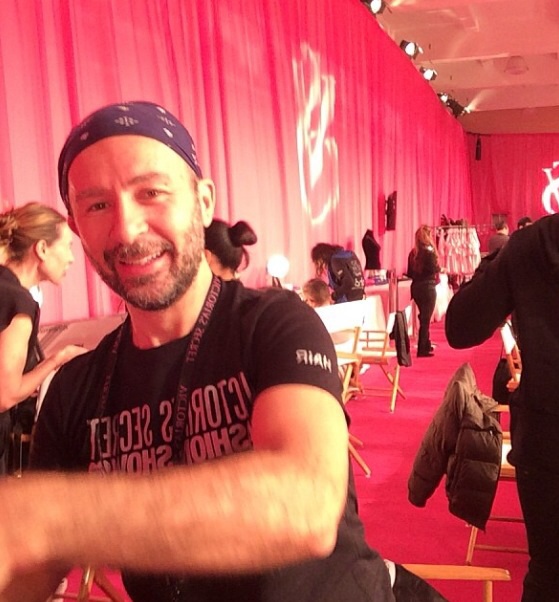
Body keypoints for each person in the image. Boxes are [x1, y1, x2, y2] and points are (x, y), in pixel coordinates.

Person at [0, 101, 394, 602]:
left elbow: (306, 504)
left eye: (151, 192)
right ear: (76, 227)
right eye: (97, 205)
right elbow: (27, 573)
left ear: (203, 202)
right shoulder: (76, 391)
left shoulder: (276, 324)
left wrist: (44, 516)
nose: (126, 230)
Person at [445, 101, 559, 602]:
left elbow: (460, 326)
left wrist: (501, 264)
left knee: (551, 576)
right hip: (551, 442)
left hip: (549, 443)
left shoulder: (531, 245)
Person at [0, 202, 85, 475]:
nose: (72, 258)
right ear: (42, 249)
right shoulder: (18, 302)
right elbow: (5, 395)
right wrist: (57, 360)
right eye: (68, 246)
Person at [406, 225, 440, 358]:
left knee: (423, 316)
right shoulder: (430, 252)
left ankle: (426, 343)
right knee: (426, 318)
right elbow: (433, 269)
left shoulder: (413, 254)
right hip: (428, 287)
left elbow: (409, 273)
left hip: (416, 288)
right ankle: (422, 347)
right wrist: (439, 268)